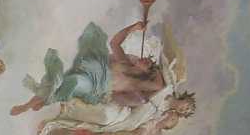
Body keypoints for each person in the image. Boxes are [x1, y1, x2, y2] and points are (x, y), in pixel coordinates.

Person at [12, 21, 176, 116]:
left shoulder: (138, 83)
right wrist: (133, 28)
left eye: (148, 63)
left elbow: (158, 86)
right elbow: (114, 43)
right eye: (147, 59)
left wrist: (156, 72)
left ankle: (32, 104)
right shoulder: (126, 63)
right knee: (58, 81)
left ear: (147, 72)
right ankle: (35, 103)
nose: (144, 59)